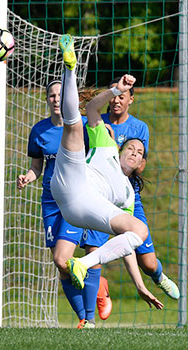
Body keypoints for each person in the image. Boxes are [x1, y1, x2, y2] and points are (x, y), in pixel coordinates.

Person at [50, 34, 164, 310]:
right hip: (70, 181)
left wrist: (139, 284)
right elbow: (91, 107)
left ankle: (82, 267)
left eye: (140, 153)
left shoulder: (127, 196)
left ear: (140, 165)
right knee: (75, 126)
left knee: (139, 230)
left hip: (84, 209)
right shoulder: (105, 142)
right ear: (122, 147)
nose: (135, 151)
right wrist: (116, 90)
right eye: (132, 147)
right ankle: (70, 68)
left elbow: (125, 243)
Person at [80, 75, 180, 323]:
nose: (115, 101)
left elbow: (139, 165)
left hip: (128, 195)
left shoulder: (139, 128)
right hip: (99, 195)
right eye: (113, 96)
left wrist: (120, 154)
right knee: (93, 252)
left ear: (130, 100)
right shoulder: (95, 123)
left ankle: (157, 276)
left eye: (121, 97)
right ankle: (90, 319)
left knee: (146, 262)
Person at [17, 80, 98, 328]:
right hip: (51, 202)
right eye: (51, 95)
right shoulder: (39, 130)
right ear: (47, 100)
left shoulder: (84, 126)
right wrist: (27, 177)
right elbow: (37, 167)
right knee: (61, 265)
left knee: (70, 258)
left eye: (60, 95)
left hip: (77, 198)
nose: (55, 99)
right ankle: (84, 317)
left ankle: (89, 318)